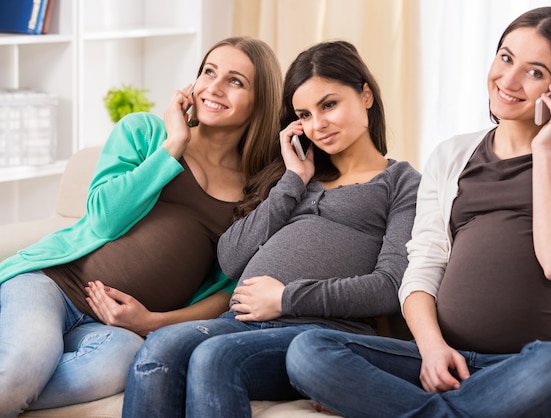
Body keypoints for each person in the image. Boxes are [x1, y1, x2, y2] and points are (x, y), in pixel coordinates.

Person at [286, 6, 551, 418]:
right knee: (309, 350)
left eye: (535, 72)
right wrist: (431, 350)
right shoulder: (452, 155)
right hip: (445, 360)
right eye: (505, 57)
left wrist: (543, 150)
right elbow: (423, 266)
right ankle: (450, 409)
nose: (509, 80)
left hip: (529, 369)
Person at [120, 40, 421, 418]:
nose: (318, 125)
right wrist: (292, 180)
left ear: (365, 96)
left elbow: (390, 287)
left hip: (319, 333)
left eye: (329, 105)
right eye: (304, 114)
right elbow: (230, 260)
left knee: (214, 357)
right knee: (161, 348)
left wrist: (286, 298)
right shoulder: (294, 172)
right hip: (241, 323)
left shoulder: (402, 182)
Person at [0, 36, 282, 417]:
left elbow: (230, 292)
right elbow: (103, 216)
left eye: (235, 81)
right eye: (208, 72)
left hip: (116, 331)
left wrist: (152, 323)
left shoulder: (257, 192)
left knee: (118, 366)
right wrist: (173, 145)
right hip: (52, 285)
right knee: (21, 370)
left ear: (260, 102)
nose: (213, 87)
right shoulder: (145, 133)